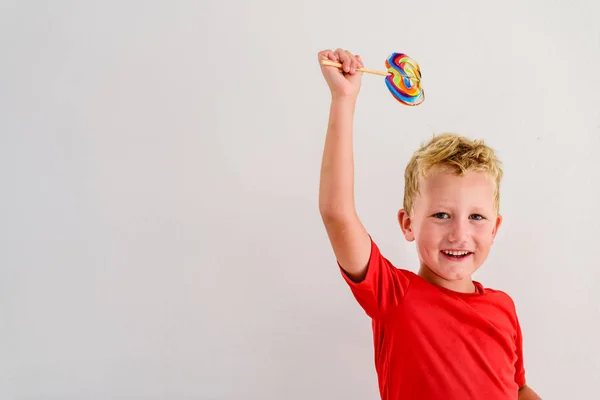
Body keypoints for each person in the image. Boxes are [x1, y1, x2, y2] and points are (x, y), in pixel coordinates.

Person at [317, 48, 541, 400]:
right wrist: (343, 99)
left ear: (494, 228)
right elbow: (337, 213)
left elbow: (517, 387)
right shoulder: (393, 296)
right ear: (408, 224)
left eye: (476, 217)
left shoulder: (503, 307)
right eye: (441, 215)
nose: (459, 233)